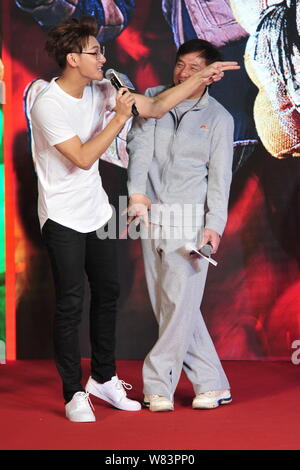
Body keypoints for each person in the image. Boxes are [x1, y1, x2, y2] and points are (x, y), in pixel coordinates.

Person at [29, 16, 238, 422]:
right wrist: (135, 183)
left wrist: (216, 223)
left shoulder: (109, 89)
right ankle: (76, 392)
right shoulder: (47, 103)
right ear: (73, 59)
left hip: (119, 215)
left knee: (124, 298)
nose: (104, 58)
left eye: (196, 69)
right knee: (85, 303)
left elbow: (158, 110)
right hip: (68, 216)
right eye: (95, 52)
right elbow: (93, 155)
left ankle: (127, 381)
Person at [127, 39, 235, 412]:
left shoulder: (219, 118)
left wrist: (214, 225)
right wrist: (136, 194)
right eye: (180, 64)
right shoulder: (153, 99)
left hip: (188, 221)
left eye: (194, 68)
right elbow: (139, 148)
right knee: (170, 304)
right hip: (151, 214)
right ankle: (212, 383)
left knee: (178, 303)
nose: (183, 73)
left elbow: (220, 178)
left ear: (212, 75)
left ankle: (157, 385)